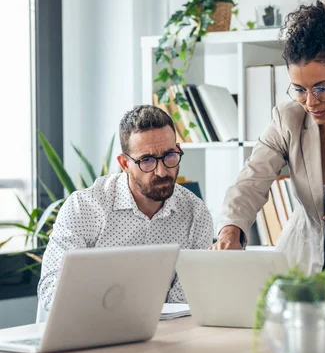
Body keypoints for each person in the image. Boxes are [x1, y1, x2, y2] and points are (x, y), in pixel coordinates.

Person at [213, 0, 325, 290]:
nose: (310, 102)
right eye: (299, 89)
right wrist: (230, 231)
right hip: (307, 256)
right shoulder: (288, 119)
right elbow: (250, 181)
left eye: (322, 88)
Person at [38, 105, 213, 311]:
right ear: (124, 163)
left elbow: (184, 301)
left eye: (169, 156)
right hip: (92, 328)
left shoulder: (196, 214)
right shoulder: (84, 208)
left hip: (163, 334)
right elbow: (51, 289)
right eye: (146, 160)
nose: (162, 171)